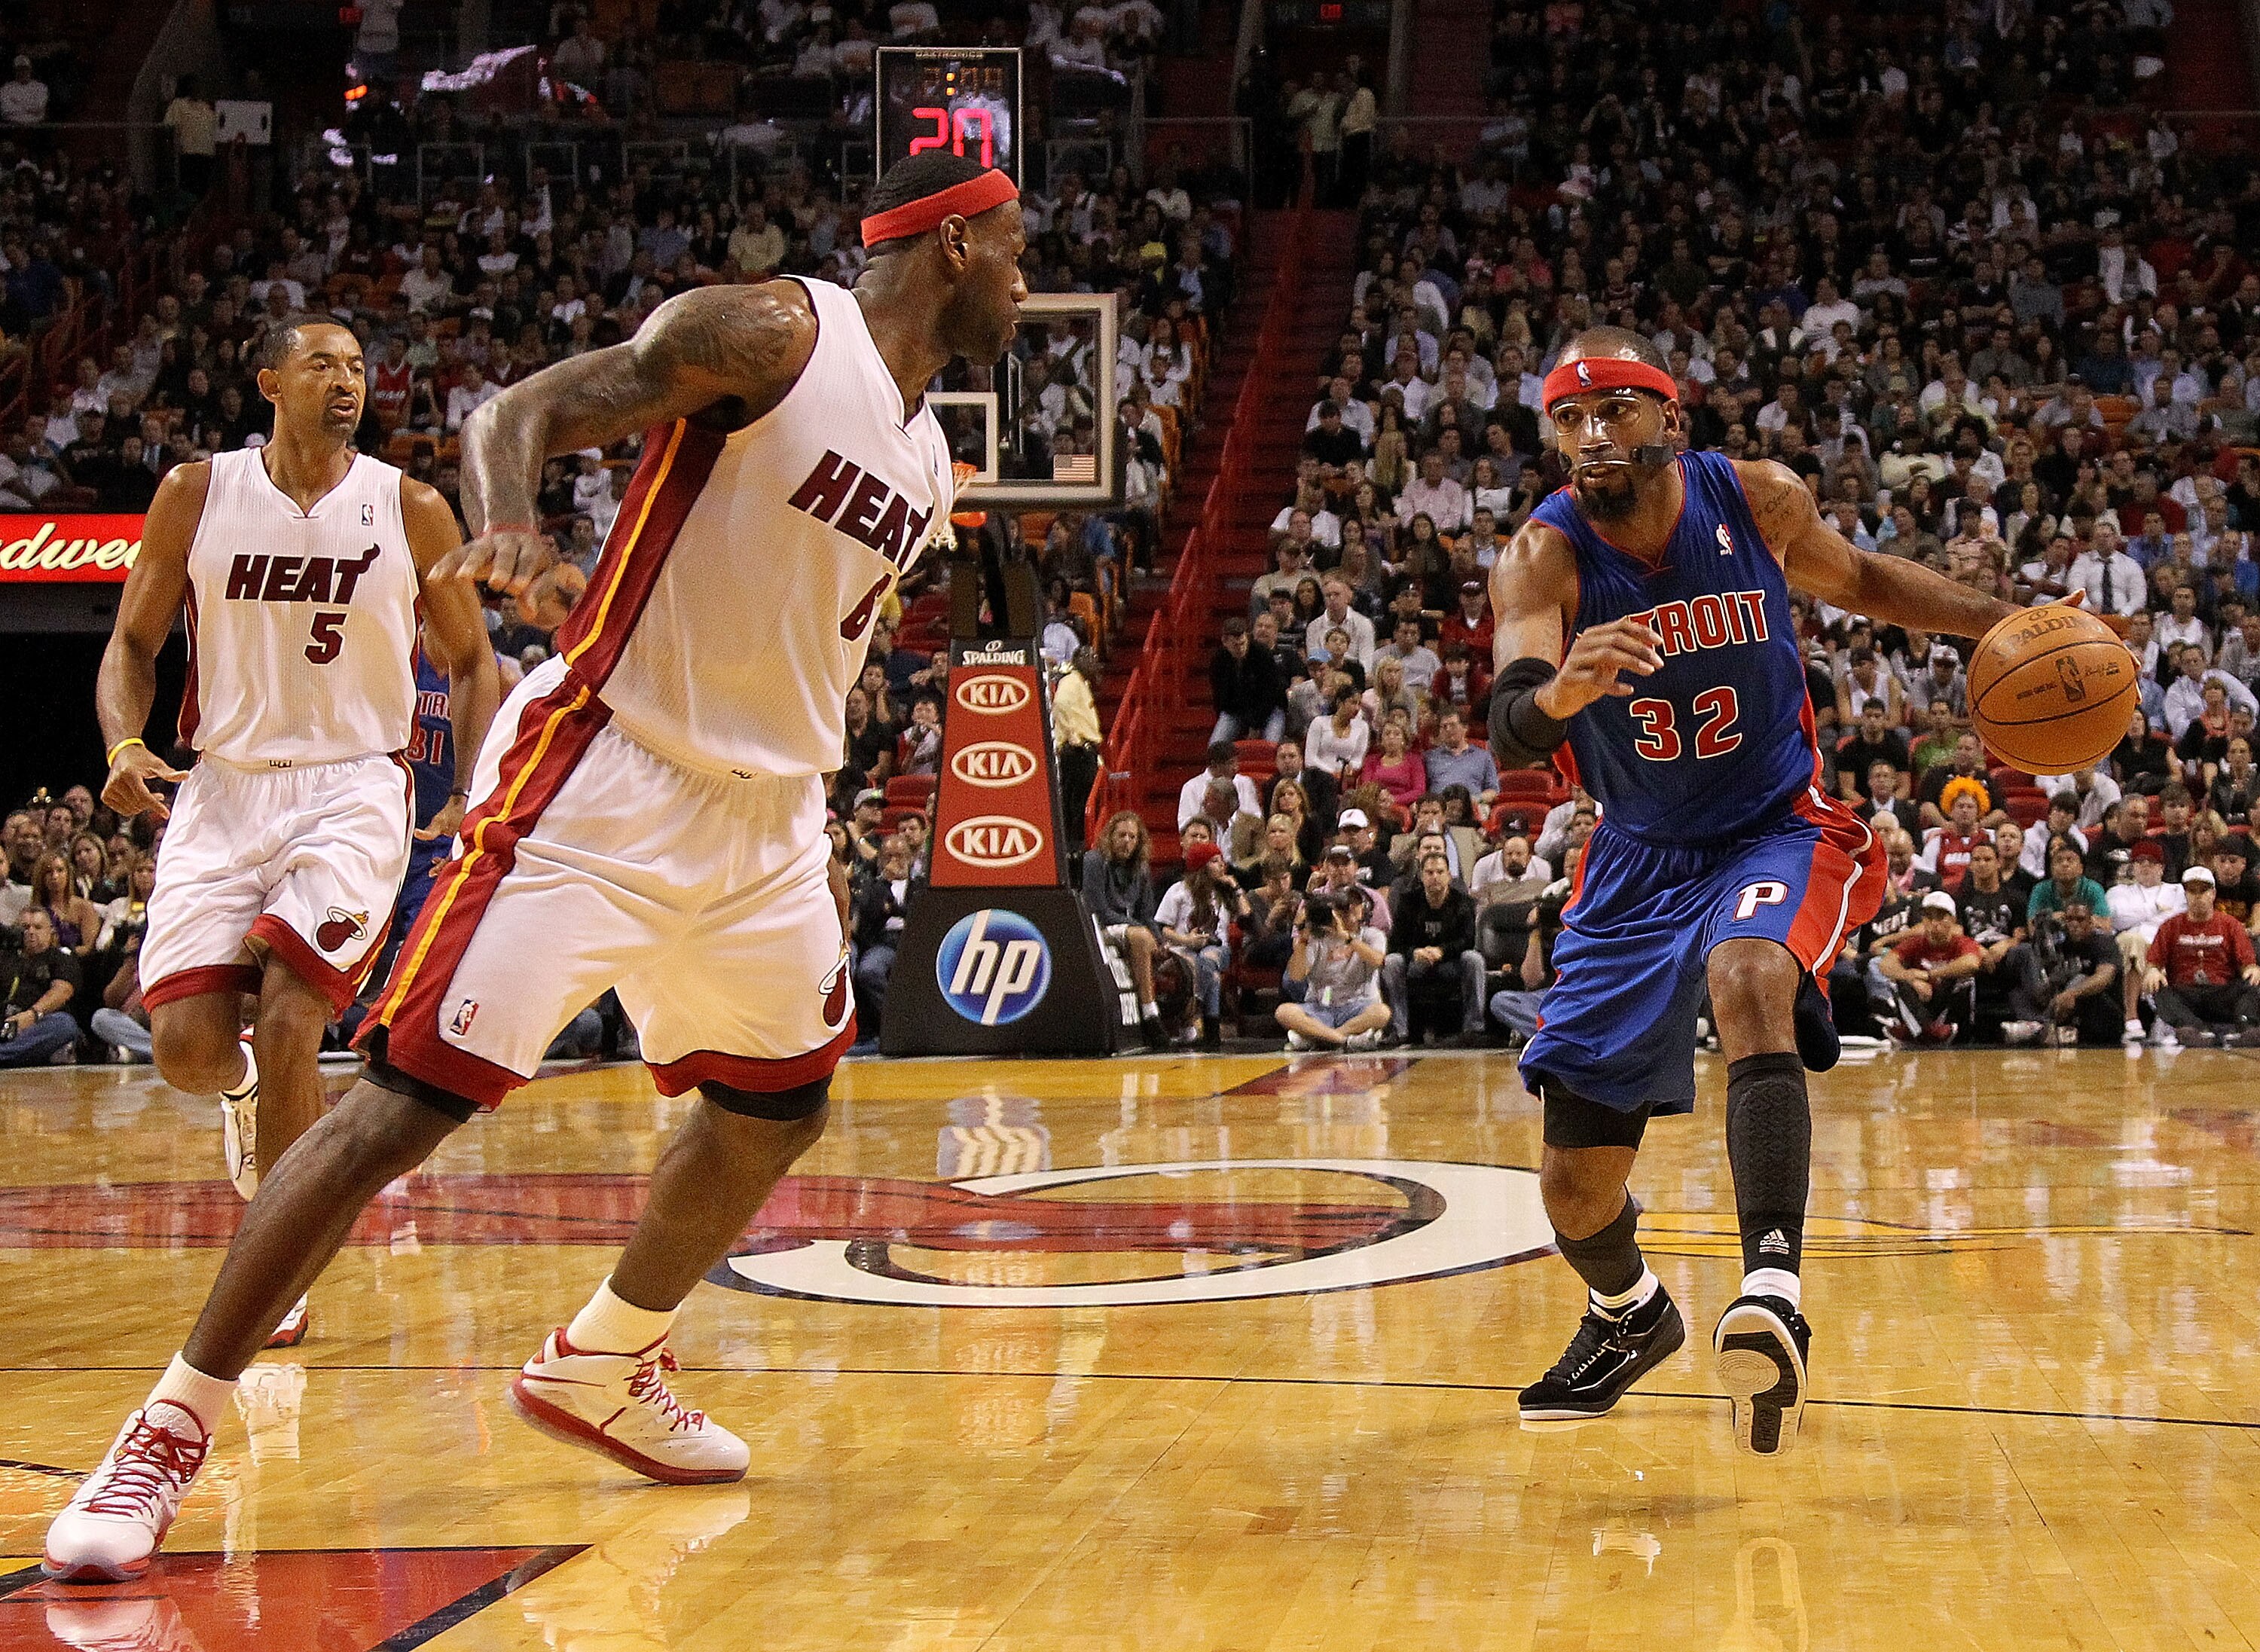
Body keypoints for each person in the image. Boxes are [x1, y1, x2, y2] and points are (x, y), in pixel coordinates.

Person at [46, 154, 1028, 1583]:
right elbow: (518, 411)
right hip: (606, 774)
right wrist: (509, 518)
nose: (1024, 281)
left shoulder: (931, 454)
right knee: (394, 1110)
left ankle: (606, 1356)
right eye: (1013, 250)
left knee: (779, 1105)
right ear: (950, 244)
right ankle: (168, 1426)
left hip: (768, 822)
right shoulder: (777, 332)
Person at [1489, 327, 2041, 1455]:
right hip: (1637, 861)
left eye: (1615, 408)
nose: (1593, 433)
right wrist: (1556, 698)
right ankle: (1629, 1313)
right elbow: (1509, 723)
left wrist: (2006, 622)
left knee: (1747, 976)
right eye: (1570, 418)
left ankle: (1773, 1294)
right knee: (1574, 1189)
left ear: (1668, 416)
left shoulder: (1756, 498)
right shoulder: (1542, 557)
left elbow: (1868, 580)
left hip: (1773, 826)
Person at [86, 314, 500, 1360]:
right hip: (224, 786)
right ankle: (240, 1098)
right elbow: (131, 641)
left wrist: (472, 787)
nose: (346, 380)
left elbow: (473, 661)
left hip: (354, 786)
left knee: (290, 1016)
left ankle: (275, 1271)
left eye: (357, 366)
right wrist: (125, 742)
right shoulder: (196, 493)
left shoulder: (410, 507)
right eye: (322, 364)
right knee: (186, 1050)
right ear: (270, 381)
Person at [2142, 864, 2260, 1046]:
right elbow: (2154, 963)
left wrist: (2252, 970)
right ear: (2186, 894)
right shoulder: (2170, 926)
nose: (2198, 896)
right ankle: (2190, 1028)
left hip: (2222, 993)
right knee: (2158, 988)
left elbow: (2247, 964)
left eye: (2203, 891)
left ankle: (2247, 1027)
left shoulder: (2231, 925)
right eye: (2192, 891)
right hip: (2185, 993)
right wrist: (2152, 971)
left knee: (2252, 983)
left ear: (2213, 894)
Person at [1382, 850, 1485, 1045]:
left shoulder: (1463, 902)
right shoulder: (1407, 901)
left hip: (1451, 961)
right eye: (1429, 873)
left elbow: (1467, 940)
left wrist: (1442, 951)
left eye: (1440, 872)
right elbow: (1395, 943)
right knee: (1392, 961)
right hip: (1416, 962)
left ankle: (1474, 1028)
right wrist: (1415, 952)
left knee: (1474, 959)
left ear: (1449, 876)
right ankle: (1399, 1030)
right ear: (1421, 877)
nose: (1435, 877)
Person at [1084, 809, 1168, 1049]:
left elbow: (1147, 914)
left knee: (1178, 958)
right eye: (1122, 835)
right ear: (1110, 836)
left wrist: (1159, 940)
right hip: (1101, 929)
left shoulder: (1141, 868)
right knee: (1140, 937)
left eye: (1133, 837)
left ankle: (1186, 1027)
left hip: (1132, 930)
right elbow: (1098, 911)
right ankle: (1150, 1014)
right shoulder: (1094, 861)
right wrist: (1142, 930)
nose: (1127, 842)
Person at [1274, 884, 1391, 1049]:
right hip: (1321, 1007)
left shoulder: (1372, 935)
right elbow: (1296, 976)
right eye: (1344, 908)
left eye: (1354, 905)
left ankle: (1320, 1037)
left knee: (1382, 1013)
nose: (1349, 910)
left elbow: (1378, 961)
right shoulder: (1317, 938)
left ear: (1363, 909)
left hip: (1358, 1005)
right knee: (1284, 1012)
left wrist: (1347, 938)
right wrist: (1303, 940)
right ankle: (1344, 1040)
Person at [1156, 840, 1245, 1047]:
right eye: (1215, 861)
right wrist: (1187, 940)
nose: (1222, 865)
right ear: (1202, 867)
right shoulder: (1178, 891)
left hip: (1218, 949)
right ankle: (1212, 1033)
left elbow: (1247, 917)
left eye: (1221, 860)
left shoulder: (1224, 891)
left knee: (1206, 959)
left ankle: (1190, 1014)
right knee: (1210, 974)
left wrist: (1236, 887)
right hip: (1183, 948)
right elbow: (1163, 929)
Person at [1875, 890, 1983, 1043]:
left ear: (1953, 920)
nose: (1934, 923)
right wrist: (1912, 978)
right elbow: (1886, 964)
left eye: (1940, 917)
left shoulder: (1962, 942)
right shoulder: (1915, 942)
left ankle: (1916, 1032)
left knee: (1966, 979)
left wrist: (1930, 975)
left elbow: (1971, 963)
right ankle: (1927, 1031)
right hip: (1920, 1002)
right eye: (1929, 917)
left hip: (1946, 1002)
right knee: (1897, 980)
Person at [2106, 840, 2185, 1043]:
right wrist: (2157, 909)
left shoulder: (2177, 891)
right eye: (2140, 862)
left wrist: (2139, 915)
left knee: (2160, 948)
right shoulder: (2118, 892)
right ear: (2133, 867)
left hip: (2164, 944)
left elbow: (2177, 921)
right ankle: (2131, 1017)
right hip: (2128, 945)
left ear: (2161, 867)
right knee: (2134, 941)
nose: (2146, 866)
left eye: (2151, 862)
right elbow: (2118, 918)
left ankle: (2163, 1018)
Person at [0, 907, 84, 1067]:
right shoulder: (6, 957)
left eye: (38, 927)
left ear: (51, 932)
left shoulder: (61, 958)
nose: (31, 932)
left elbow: (62, 991)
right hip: (5, 1025)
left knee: (64, 1024)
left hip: (36, 1027)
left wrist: (31, 1016)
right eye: (25, 927)